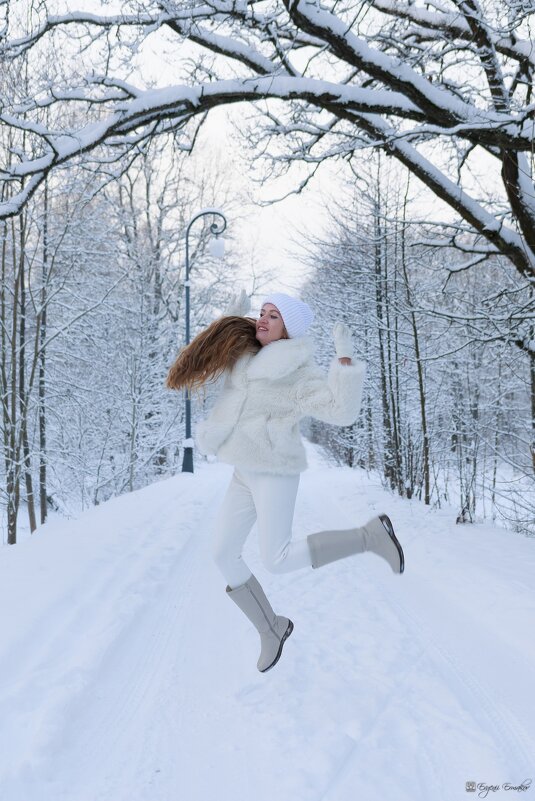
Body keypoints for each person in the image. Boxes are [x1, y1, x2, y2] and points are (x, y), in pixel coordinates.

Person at [167, 291, 404, 673]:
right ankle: (271, 628)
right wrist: (227, 319)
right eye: (262, 311)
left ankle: (370, 537)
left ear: (288, 329)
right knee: (223, 553)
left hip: (274, 470)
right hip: (243, 471)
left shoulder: (297, 372)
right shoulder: (244, 355)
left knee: (276, 560)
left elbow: (341, 412)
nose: (262, 318)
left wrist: (344, 361)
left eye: (273, 315)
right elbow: (212, 351)